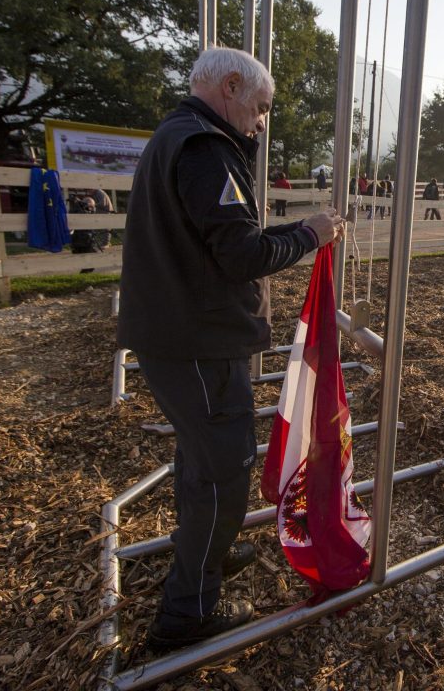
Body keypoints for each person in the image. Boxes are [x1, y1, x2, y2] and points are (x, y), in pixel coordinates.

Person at [117, 47, 343, 652]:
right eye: (261, 108)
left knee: (200, 459)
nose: (262, 122)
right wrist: (308, 235)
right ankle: (186, 614)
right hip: (197, 339)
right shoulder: (206, 149)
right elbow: (240, 255)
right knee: (223, 469)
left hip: (177, 333)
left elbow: (219, 240)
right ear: (232, 87)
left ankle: (202, 555)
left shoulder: (175, 134)